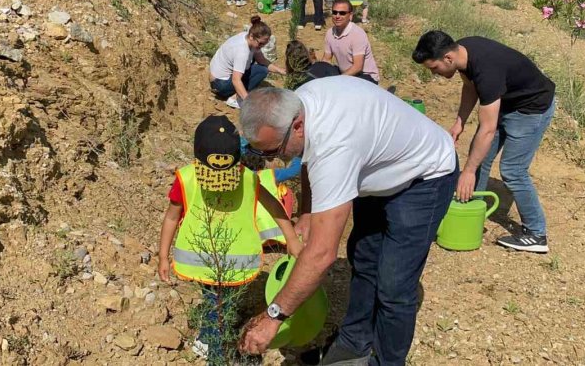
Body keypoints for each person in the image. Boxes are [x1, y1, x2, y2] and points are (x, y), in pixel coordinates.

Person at [236, 80, 459, 364]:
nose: (275, 160)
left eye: (274, 150)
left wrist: (273, 317)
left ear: (298, 126)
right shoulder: (298, 102)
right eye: (262, 153)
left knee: (394, 285)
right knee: (364, 259)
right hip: (377, 168)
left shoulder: (335, 147)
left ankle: (386, 361)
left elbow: (322, 255)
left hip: (424, 176)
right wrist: (307, 211)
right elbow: (307, 156)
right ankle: (354, 345)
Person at [158, 115, 302, 362]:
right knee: (219, 309)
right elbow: (171, 217)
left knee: (221, 307)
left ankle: (207, 339)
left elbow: (275, 207)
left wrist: (292, 239)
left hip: (236, 265)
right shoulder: (186, 179)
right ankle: (218, 355)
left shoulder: (248, 178)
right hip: (200, 261)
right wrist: (162, 256)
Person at [412, 30, 556, 253]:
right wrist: (460, 121)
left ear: (448, 59)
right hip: (506, 101)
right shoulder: (463, 52)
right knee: (480, 155)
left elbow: (488, 129)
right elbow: (470, 87)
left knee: (513, 170)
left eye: (434, 68)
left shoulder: (487, 69)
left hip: (531, 109)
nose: (434, 74)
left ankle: (536, 233)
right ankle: (468, 205)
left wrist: (468, 171)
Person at [208, 16, 286, 109]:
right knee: (261, 71)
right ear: (252, 36)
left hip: (220, 79)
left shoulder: (247, 37)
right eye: (260, 43)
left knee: (261, 68)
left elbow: (261, 60)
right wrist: (248, 102)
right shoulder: (242, 51)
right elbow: (236, 80)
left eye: (264, 44)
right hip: (220, 85)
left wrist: (281, 71)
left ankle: (239, 95)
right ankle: (235, 99)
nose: (262, 46)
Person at [323, 0, 380, 84]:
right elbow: (326, 60)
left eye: (342, 13)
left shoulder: (357, 34)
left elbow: (357, 67)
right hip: (346, 74)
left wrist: (338, 80)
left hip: (365, 76)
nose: (337, 16)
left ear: (350, 15)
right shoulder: (330, 33)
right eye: (334, 12)